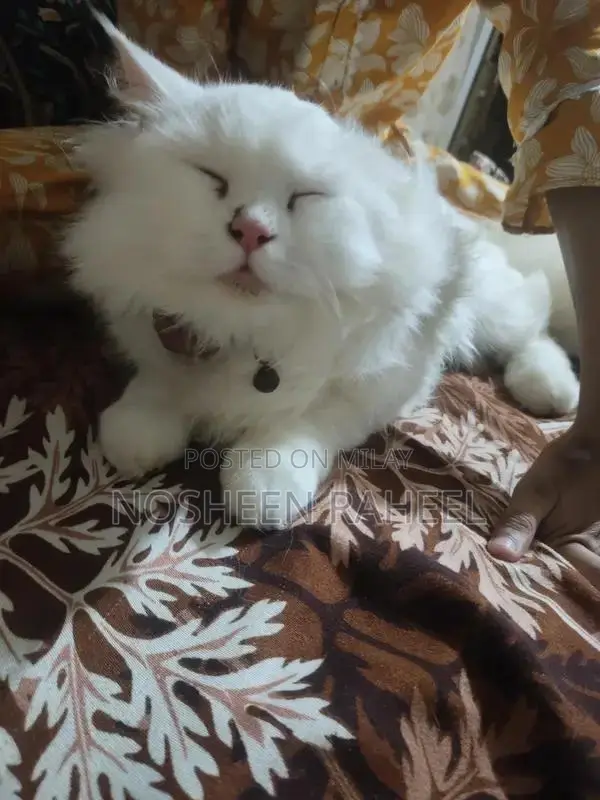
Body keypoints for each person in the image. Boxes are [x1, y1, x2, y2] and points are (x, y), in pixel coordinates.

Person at [155, 0, 600, 578]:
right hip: (179, 147)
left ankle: (528, 338)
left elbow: (575, 43)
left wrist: (593, 436)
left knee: (471, 274)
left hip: (370, 174)